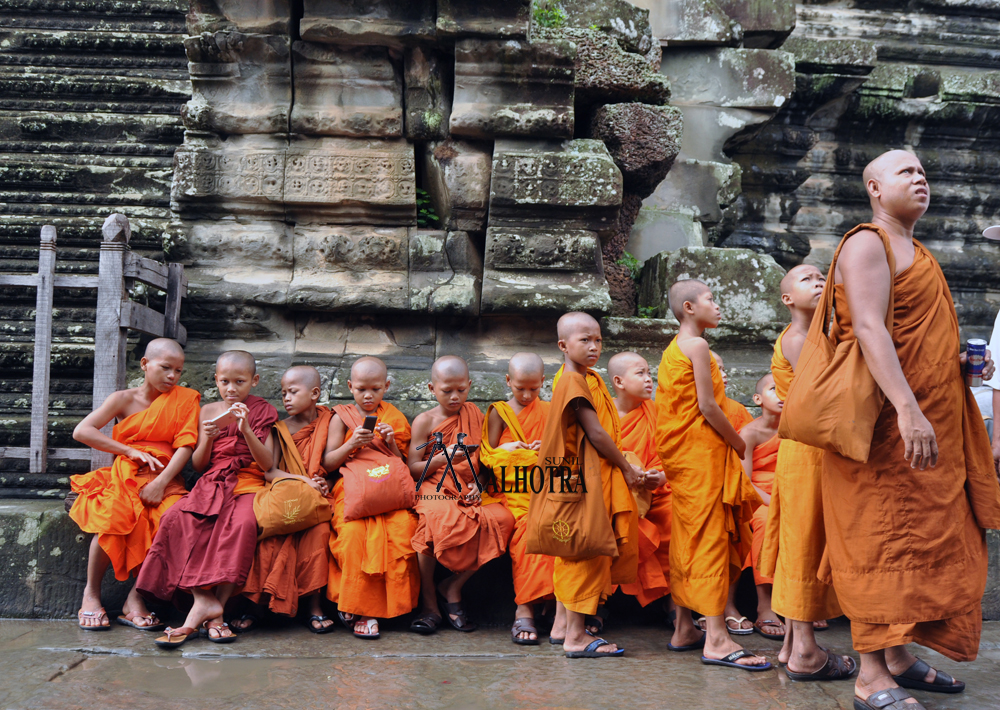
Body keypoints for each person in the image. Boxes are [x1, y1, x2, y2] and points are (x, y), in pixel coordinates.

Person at [819, 149, 1000, 709]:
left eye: (924, 171)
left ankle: (897, 656)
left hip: (927, 432)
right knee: (878, 542)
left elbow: (914, 338)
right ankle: (870, 673)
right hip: (885, 431)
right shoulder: (867, 243)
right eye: (906, 172)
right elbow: (870, 329)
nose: (920, 179)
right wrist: (908, 407)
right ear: (874, 187)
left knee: (931, 537)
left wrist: (962, 367)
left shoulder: (916, 250)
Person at [655, 280, 769, 671]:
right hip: (701, 454)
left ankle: (684, 627)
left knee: (688, 536)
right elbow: (706, 406)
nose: (717, 307)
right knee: (709, 540)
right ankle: (717, 640)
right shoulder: (698, 346)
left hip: (685, 457)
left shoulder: (674, 348)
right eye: (710, 300)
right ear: (688, 307)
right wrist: (739, 443)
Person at [136, 350, 277, 648]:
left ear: (254, 381)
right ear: (216, 380)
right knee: (175, 518)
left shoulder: (262, 410)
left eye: (239, 381)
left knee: (241, 525)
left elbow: (267, 465)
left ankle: (217, 611)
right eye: (224, 381)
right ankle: (205, 602)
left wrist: (246, 430)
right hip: (212, 482)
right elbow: (200, 465)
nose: (231, 389)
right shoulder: (208, 411)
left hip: (247, 483)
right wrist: (209, 438)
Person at [759, 263, 851, 681]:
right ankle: (806, 652)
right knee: (803, 545)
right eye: (806, 279)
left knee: (803, 540)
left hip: (812, 452)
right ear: (787, 299)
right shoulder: (798, 339)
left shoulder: (822, 336)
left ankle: (793, 645)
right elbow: (830, 397)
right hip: (808, 452)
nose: (817, 282)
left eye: (821, 277)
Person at [69, 338, 200, 631]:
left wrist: (162, 483)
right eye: (166, 368)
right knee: (115, 516)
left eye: (178, 371)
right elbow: (83, 431)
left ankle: (135, 598)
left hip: (166, 478)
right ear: (144, 364)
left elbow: (185, 446)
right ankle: (91, 592)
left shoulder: (187, 398)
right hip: (128, 472)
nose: (172, 376)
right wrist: (128, 450)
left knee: (173, 519)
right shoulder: (123, 399)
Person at [539, 312, 640, 658]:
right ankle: (576, 637)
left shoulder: (586, 378)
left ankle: (564, 627)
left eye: (598, 340)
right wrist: (626, 467)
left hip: (582, 477)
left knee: (576, 550)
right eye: (585, 340)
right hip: (581, 480)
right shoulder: (572, 381)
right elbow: (596, 433)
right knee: (583, 552)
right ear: (563, 346)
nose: (594, 346)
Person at [407, 356, 515, 634]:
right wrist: (442, 458)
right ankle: (430, 603)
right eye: (447, 391)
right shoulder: (424, 421)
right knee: (436, 518)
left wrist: (479, 484)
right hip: (434, 485)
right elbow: (414, 469)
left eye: (461, 390)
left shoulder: (475, 415)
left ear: (469, 385)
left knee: (503, 518)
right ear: (432, 389)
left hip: (468, 486)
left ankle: (452, 586)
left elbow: (486, 460)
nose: (455, 397)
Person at [323, 357, 419, 640]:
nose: (368, 395)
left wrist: (390, 442)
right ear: (350, 386)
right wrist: (351, 444)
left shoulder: (395, 417)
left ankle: (375, 610)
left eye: (375, 389)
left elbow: (404, 465)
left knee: (402, 529)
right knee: (352, 535)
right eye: (361, 389)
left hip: (389, 492)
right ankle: (359, 606)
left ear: (386, 386)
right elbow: (328, 463)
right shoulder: (340, 417)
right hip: (353, 490)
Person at [238, 366, 333, 634]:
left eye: (293, 392)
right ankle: (256, 604)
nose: (286, 398)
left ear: (315, 393)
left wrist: (325, 483)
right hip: (288, 493)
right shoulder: (278, 428)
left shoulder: (330, 421)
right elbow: (269, 471)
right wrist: (303, 481)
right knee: (270, 537)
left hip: (319, 497)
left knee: (321, 532)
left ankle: (314, 605)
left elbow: (335, 465)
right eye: (283, 394)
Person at [480, 352, 553, 645]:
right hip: (511, 493)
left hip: (547, 490)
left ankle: (558, 603)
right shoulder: (498, 412)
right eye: (520, 387)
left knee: (561, 526)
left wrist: (542, 449)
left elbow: (564, 455)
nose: (526, 394)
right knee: (526, 532)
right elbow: (487, 455)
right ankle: (524, 608)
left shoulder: (549, 411)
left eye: (534, 388)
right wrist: (508, 449)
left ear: (543, 383)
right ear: (508, 381)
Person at [608, 352, 670, 611]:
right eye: (640, 373)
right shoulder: (602, 414)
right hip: (611, 495)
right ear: (619, 382)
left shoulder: (658, 413)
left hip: (653, 495)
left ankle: (676, 602)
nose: (649, 380)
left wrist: (662, 475)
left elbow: (675, 456)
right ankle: (599, 601)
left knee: (677, 512)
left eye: (649, 373)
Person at [735, 374, 784, 641]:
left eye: (786, 388)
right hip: (761, 499)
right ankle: (764, 606)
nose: (781, 394)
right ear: (757, 399)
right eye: (773, 389)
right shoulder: (750, 433)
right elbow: (744, 481)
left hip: (793, 494)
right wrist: (772, 502)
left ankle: (808, 602)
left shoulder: (797, 429)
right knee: (766, 522)